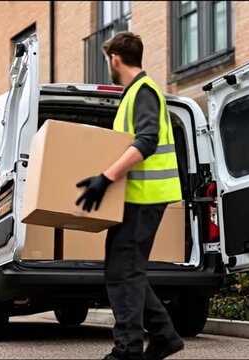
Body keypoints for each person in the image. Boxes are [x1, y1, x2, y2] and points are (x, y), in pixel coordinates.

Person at [75, 31, 184, 360]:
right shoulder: (135, 94)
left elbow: (147, 141)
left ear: (115, 59)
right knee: (122, 269)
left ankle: (128, 349)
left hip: (147, 195)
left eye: (108, 60)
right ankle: (162, 335)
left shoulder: (144, 92)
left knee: (126, 270)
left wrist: (105, 178)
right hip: (137, 196)